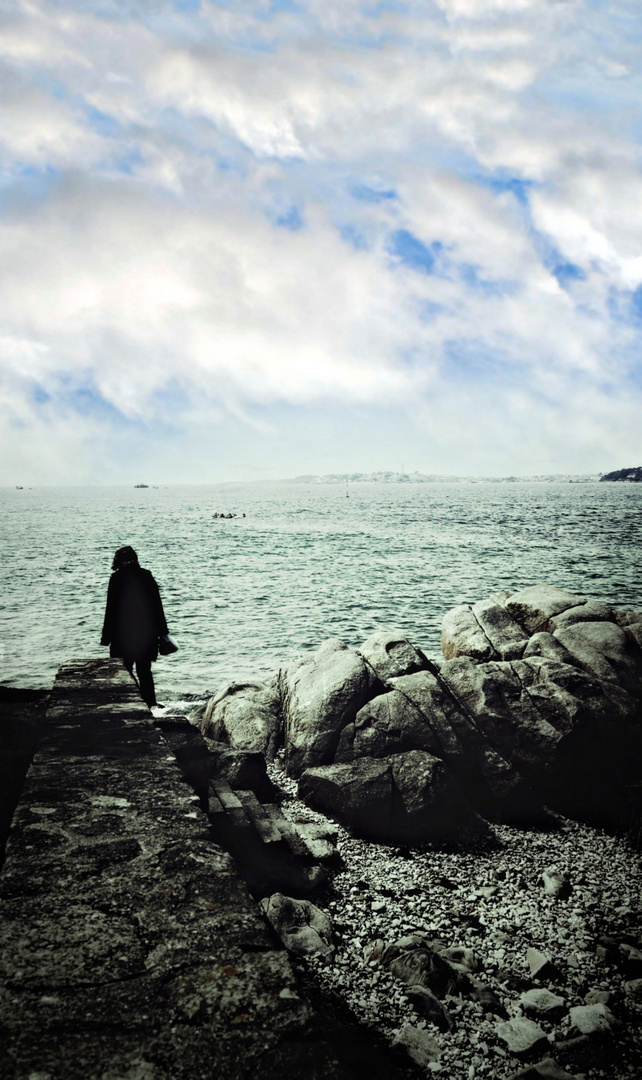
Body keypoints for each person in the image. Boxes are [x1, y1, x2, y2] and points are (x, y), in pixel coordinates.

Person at [100, 546, 169, 708]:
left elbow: (111, 609)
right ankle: (150, 703)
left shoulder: (116, 578)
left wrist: (106, 637)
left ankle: (133, 700)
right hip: (147, 634)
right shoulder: (146, 576)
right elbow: (157, 606)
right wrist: (163, 632)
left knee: (124, 670)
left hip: (122, 635)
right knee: (144, 670)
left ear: (118, 561)